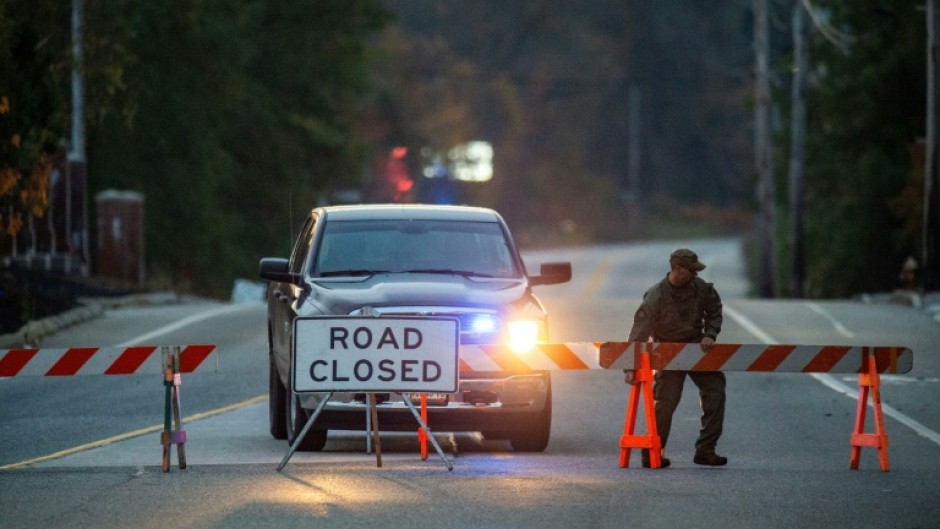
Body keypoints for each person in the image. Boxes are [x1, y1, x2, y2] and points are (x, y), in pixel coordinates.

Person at [627, 248, 727, 468]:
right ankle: (652, 453)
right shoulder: (656, 296)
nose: (696, 275)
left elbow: (715, 311)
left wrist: (710, 333)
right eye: (692, 271)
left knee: (715, 391)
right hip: (668, 354)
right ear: (678, 270)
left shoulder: (702, 289)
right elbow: (639, 334)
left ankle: (706, 450)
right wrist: (631, 368)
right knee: (666, 402)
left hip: (696, 349)